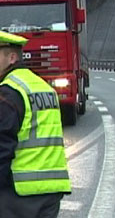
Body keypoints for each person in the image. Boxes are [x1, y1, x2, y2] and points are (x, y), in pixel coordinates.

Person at [0, 30, 71, 217]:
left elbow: (2, 147)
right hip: (51, 190)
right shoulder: (43, 87)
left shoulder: (8, 92)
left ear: (11, 57)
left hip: (18, 193)